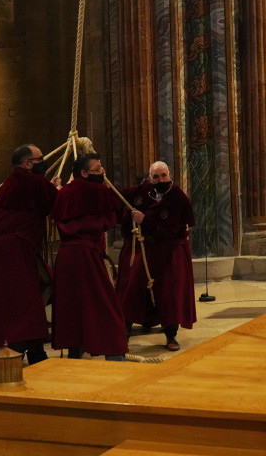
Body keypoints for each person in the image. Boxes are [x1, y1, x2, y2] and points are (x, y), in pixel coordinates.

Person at [51, 153, 142, 360]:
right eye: (98, 169)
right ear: (84, 173)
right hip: (86, 256)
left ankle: (75, 352)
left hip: (65, 258)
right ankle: (115, 354)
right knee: (105, 306)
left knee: (73, 306)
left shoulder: (64, 193)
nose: (102, 172)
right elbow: (113, 217)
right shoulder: (96, 190)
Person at [0, 144, 59, 365]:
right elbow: (58, 204)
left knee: (25, 299)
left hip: (4, 250)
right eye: (40, 159)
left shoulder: (12, 181)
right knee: (24, 301)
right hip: (16, 251)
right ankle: (16, 349)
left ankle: (36, 351)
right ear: (27, 163)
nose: (43, 163)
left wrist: (50, 187)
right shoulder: (32, 181)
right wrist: (61, 190)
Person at [118, 161, 196, 351]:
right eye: (155, 177)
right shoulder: (145, 191)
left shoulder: (179, 198)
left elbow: (170, 229)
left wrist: (145, 220)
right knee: (132, 288)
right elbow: (118, 195)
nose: (160, 180)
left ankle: (171, 335)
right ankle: (122, 335)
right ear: (150, 179)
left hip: (169, 252)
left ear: (170, 174)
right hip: (146, 250)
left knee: (170, 293)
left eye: (163, 175)